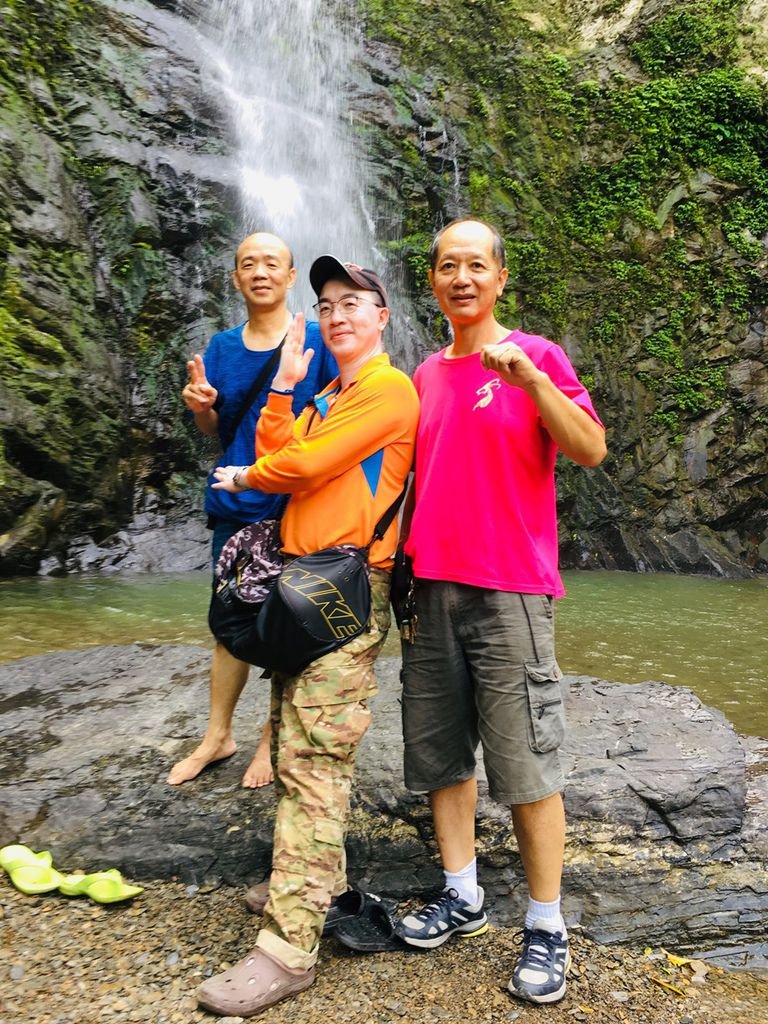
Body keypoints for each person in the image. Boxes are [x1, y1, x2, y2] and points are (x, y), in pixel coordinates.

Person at [195, 257, 419, 1017]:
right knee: (293, 744)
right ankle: (311, 881)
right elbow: (281, 437)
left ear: (381, 317)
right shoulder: (330, 391)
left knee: (318, 762)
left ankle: (287, 951)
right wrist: (288, 380)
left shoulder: (389, 389)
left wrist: (243, 479)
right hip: (303, 585)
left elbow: (302, 464)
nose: (337, 315)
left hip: (347, 590)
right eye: (326, 305)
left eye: (352, 303)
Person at [394, 219, 607, 1006]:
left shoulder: (537, 357)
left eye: (475, 265)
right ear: (434, 280)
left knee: (525, 764)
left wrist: (534, 384)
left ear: (500, 277)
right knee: (441, 754)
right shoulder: (420, 374)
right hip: (430, 586)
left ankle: (547, 926)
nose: (462, 278)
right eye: (448, 265)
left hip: (512, 589)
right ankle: (463, 894)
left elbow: (590, 448)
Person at [167, 232, 338, 788]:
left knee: (285, 621)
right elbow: (214, 432)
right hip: (234, 500)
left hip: (297, 503)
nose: (259, 272)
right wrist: (202, 409)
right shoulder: (219, 347)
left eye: (272, 264)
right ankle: (218, 735)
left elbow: (335, 417)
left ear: (291, 278)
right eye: (248, 264)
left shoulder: (317, 340)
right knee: (229, 621)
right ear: (236, 279)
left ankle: (270, 739)